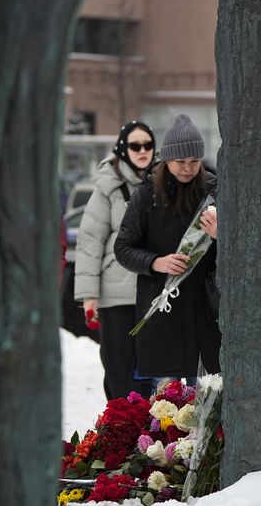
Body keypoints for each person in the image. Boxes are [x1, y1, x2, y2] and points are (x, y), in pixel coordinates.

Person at [114, 114, 220, 390]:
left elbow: (240, 254)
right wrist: (156, 262)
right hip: (161, 313)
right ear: (166, 160)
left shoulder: (215, 193)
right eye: (180, 162)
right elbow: (123, 248)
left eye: (194, 162)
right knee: (164, 414)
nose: (188, 168)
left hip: (203, 315)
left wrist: (221, 237)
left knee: (206, 405)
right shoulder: (146, 195)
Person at [74, 120, 156, 400]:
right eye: (135, 145)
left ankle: (150, 435)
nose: (142, 151)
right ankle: (119, 428)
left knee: (152, 368)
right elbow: (89, 243)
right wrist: (89, 295)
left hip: (153, 292)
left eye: (148, 145)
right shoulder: (107, 189)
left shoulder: (161, 184)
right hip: (116, 295)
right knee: (118, 366)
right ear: (123, 149)